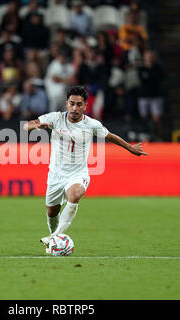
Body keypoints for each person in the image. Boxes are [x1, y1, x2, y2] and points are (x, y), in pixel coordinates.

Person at [23, 86, 148, 254]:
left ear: (85, 106)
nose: (75, 108)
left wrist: (129, 147)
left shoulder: (91, 124)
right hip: (55, 174)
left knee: (74, 195)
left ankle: (54, 238)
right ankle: (54, 236)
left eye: (79, 104)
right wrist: (36, 126)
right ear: (66, 103)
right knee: (52, 211)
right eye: (72, 104)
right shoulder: (55, 118)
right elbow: (27, 126)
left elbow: (110, 136)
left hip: (77, 173)